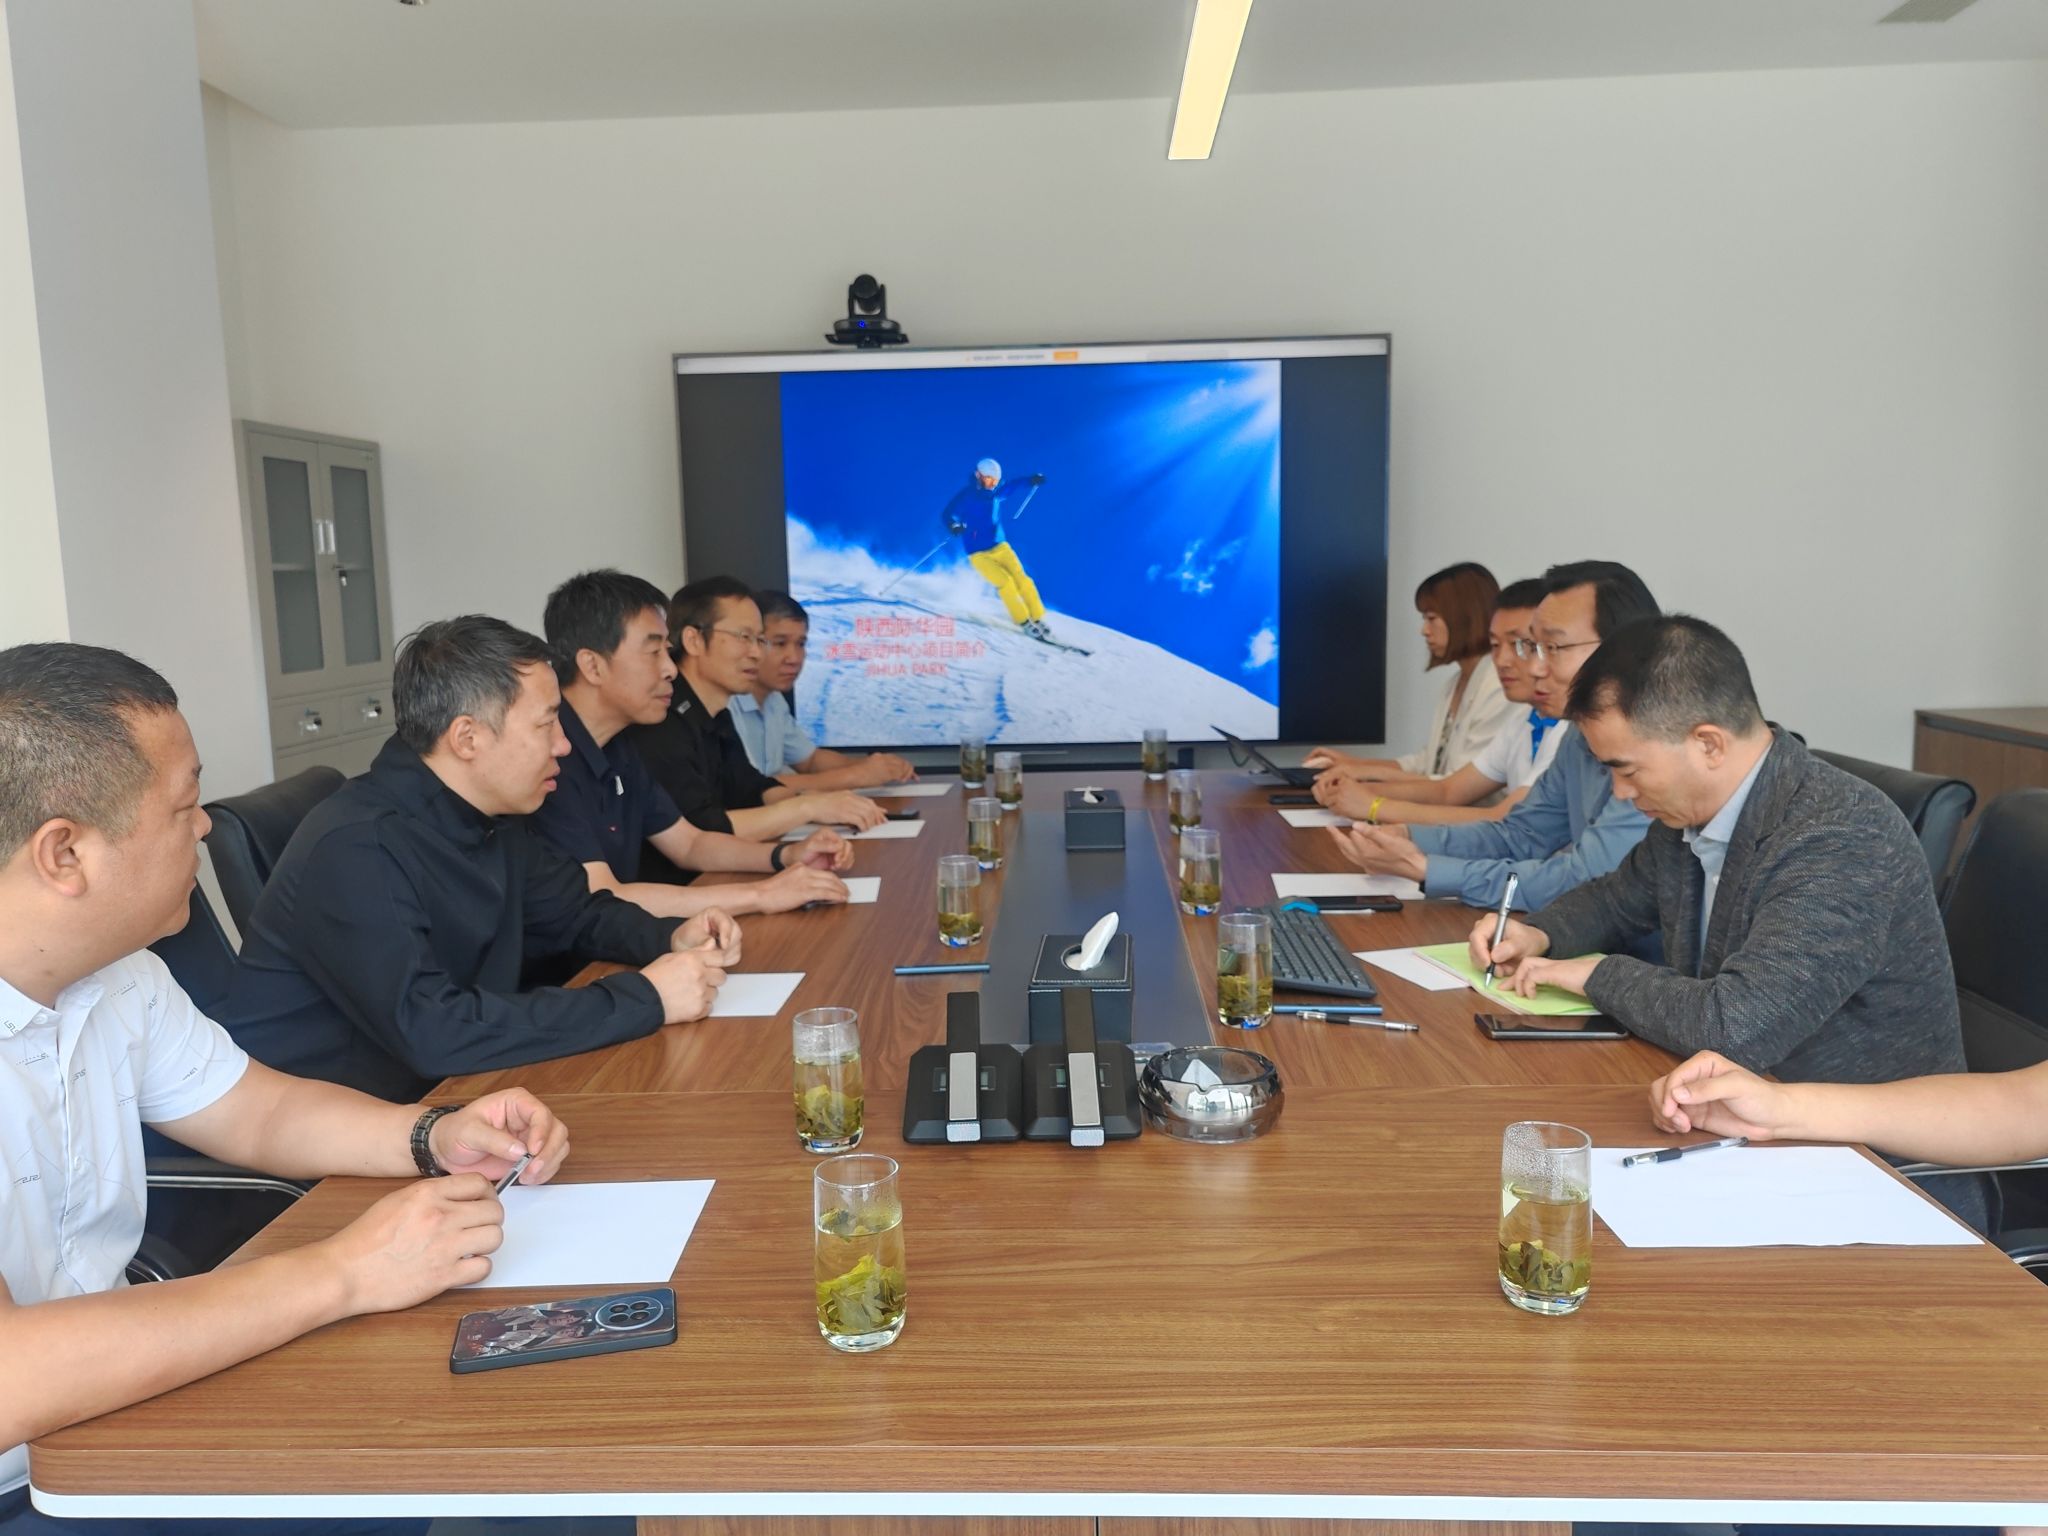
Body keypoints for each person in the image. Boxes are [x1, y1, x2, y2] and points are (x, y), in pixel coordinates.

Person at [0, 641, 569, 1536]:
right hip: (32, 1472)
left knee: (484, 1448)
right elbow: (12, 1380)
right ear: (64, 853)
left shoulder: (120, 975)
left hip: (119, 1409)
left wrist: (432, 1135)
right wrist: (345, 1271)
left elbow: (257, 1111)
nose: (204, 828)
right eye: (183, 806)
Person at [1474, 615, 1984, 1229]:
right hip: (1741, 1134)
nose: (1620, 792)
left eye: (1627, 769)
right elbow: (1619, 898)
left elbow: (1736, 1026)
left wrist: (1595, 974)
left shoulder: (1841, 836)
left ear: (1709, 744)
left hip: (1878, 1177)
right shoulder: (1692, 812)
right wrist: (1540, 932)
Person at [219, 616, 738, 1104]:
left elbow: (576, 914)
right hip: (348, 1128)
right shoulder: (357, 847)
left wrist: (670, 936)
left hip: (460, 1093)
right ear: (467, 738)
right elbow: (433, 1030)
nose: (563, 746)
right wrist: (646, 997)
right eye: (547, 724)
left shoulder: (490, 814)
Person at [1329, 559, 1658, 911]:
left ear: (1620, 647)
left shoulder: (1655, 746)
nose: (1534, 668)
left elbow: (1587, 878)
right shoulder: (1576, 737)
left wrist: (1427, 869)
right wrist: (1410, 837)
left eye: (1552, 648)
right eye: (1533, 648)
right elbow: (1520, 834)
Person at [535, 570, 853, 918]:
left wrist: (786, 857)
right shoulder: (549, 758)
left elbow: (690, 843)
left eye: (666, 651)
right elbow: (604, 896)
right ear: (592, 666)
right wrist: (760, 894)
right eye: (653, 652)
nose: (670, 669)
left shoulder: (618, 745)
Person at [621, 579, 889, 866]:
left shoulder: (716, 713)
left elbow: (753, 788)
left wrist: (825, 806)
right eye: (744, 637)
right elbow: (702, 829)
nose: (757, 653)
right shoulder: (661, 717)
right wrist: (807, 807)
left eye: (760, 640)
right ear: (694, 640)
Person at [1312, 578, 1562, 827]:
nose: (1503, 660)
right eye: (1495, 645)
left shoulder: (1561, 727)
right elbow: (1447, 788)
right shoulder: (1520, 720)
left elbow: (1506, 818)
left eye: (1523, 645)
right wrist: (1356, 788)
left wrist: (1374, 803)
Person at [1305, 562, 1515, 787]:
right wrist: (1353, 764)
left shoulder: (1498, 686)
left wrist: (1363, 778)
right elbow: (1427, 764)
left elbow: (1457, 786)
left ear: (1464, 618)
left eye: (1431, 618)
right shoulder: (1454, 684)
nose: (1424, 630)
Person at [733, 591, 919, 791]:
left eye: (801, 644)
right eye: (780, 643)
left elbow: (810, 761)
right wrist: (856, 776)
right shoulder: (726, 705)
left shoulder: (774, 701)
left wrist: (878, 767)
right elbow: (751, 788)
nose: (794, 658)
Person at [941, 457, 1055, 640]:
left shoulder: (996, 493)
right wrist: (953, 525)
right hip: (978, 554)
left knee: (1022, 579)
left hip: (1000, 546)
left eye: (994, 481)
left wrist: (1031, 480)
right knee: (1005, 582)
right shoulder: (967, 496)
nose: (992, 485)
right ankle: (1024, 621)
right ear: (978, 476)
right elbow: (949, 512)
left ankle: (1037, 618)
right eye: (988, 480)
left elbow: (1013, 485)